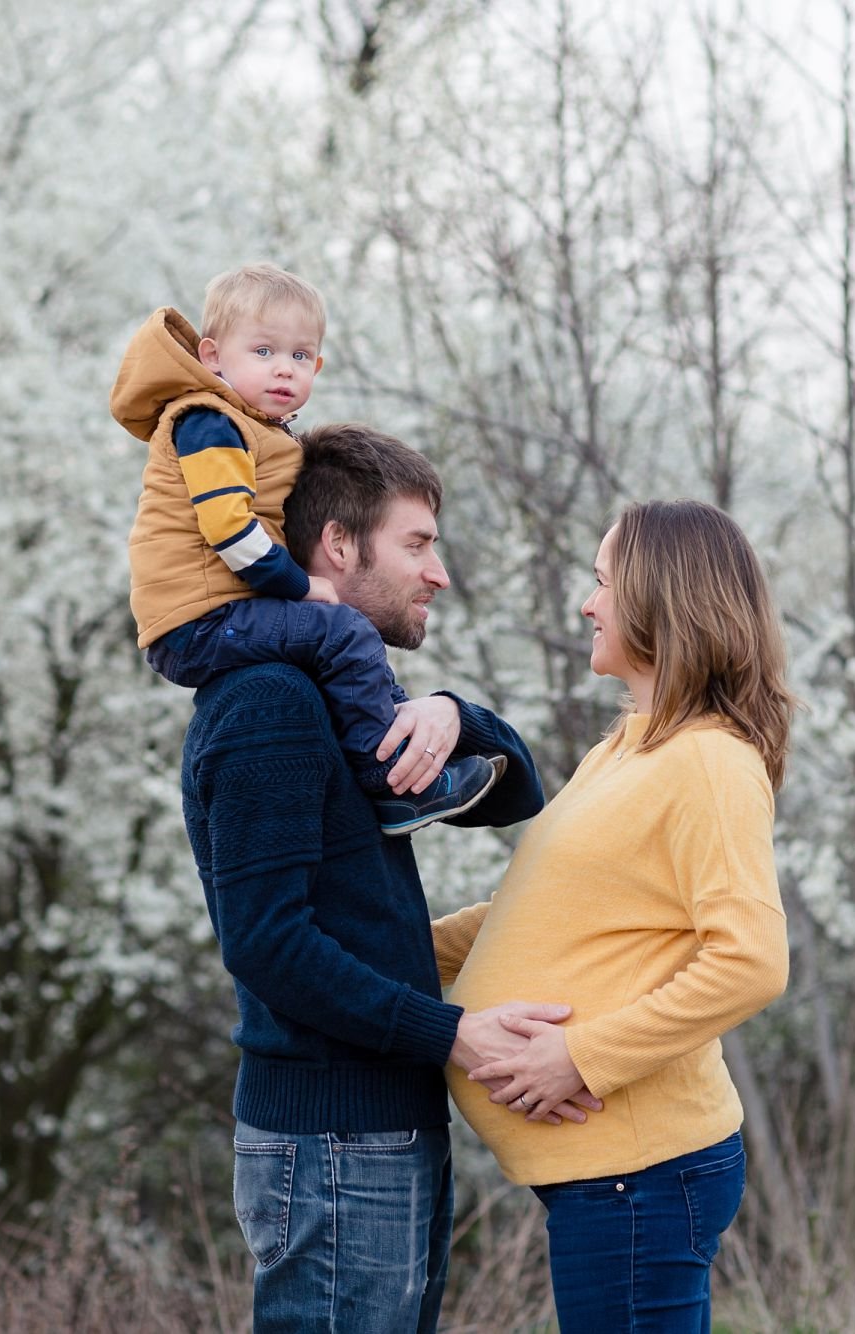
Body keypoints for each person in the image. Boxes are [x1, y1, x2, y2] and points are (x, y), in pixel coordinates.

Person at [179, 423, 597, 1334]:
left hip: (374, 1134)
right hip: (333, 1146)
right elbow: (268, 944)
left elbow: (513, 794)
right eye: (417, 545)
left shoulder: (334, 691)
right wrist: (451, 1034)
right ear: (337, 546)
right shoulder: (271, 705)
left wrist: (454, 713)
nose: (437, 573)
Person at [434, 499, 796, 1332]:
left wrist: (581, 1057)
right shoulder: (629, 747)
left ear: (660, 601)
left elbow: (751, 960)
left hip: (644, 1169)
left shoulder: (709, 761)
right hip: (614, 1173)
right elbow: (544, 910)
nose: (587, 603)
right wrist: (379, 949)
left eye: (602, 583)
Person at [112, 262, 500, 835]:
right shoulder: (208, 423)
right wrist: (299, 584)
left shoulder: (251, 427)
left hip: (216, 612)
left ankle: (398, 739)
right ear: (214, 357)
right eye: (263, 351)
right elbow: (228, 530)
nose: (283, 370)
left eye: (299, 357)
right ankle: (387, 778)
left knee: (342, 636)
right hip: (196, 620)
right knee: (338, 627)